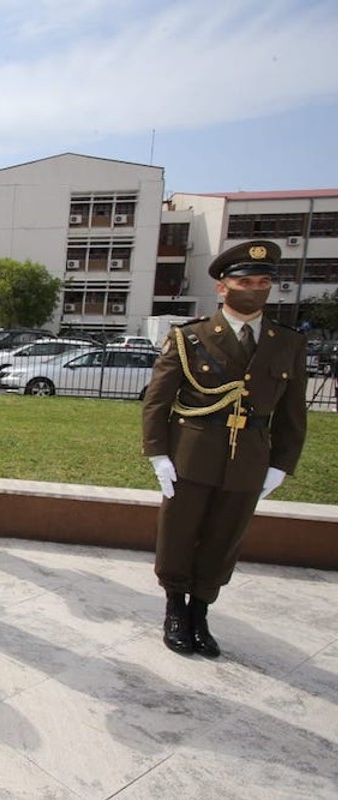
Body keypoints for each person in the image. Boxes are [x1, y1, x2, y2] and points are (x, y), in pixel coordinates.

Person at [142, 240, 307, 658]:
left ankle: (201, 610)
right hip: (192, 454)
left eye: (263, 281)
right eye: (245, 281)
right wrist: (158, 454)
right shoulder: (191, 337)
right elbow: (157, 402)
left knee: (224, 538)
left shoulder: (286, 343)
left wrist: (282, 463)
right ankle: (176, 610)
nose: (254, 289)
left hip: (249, 457)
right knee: (180, 533)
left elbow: (292, 412)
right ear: (223, 288)